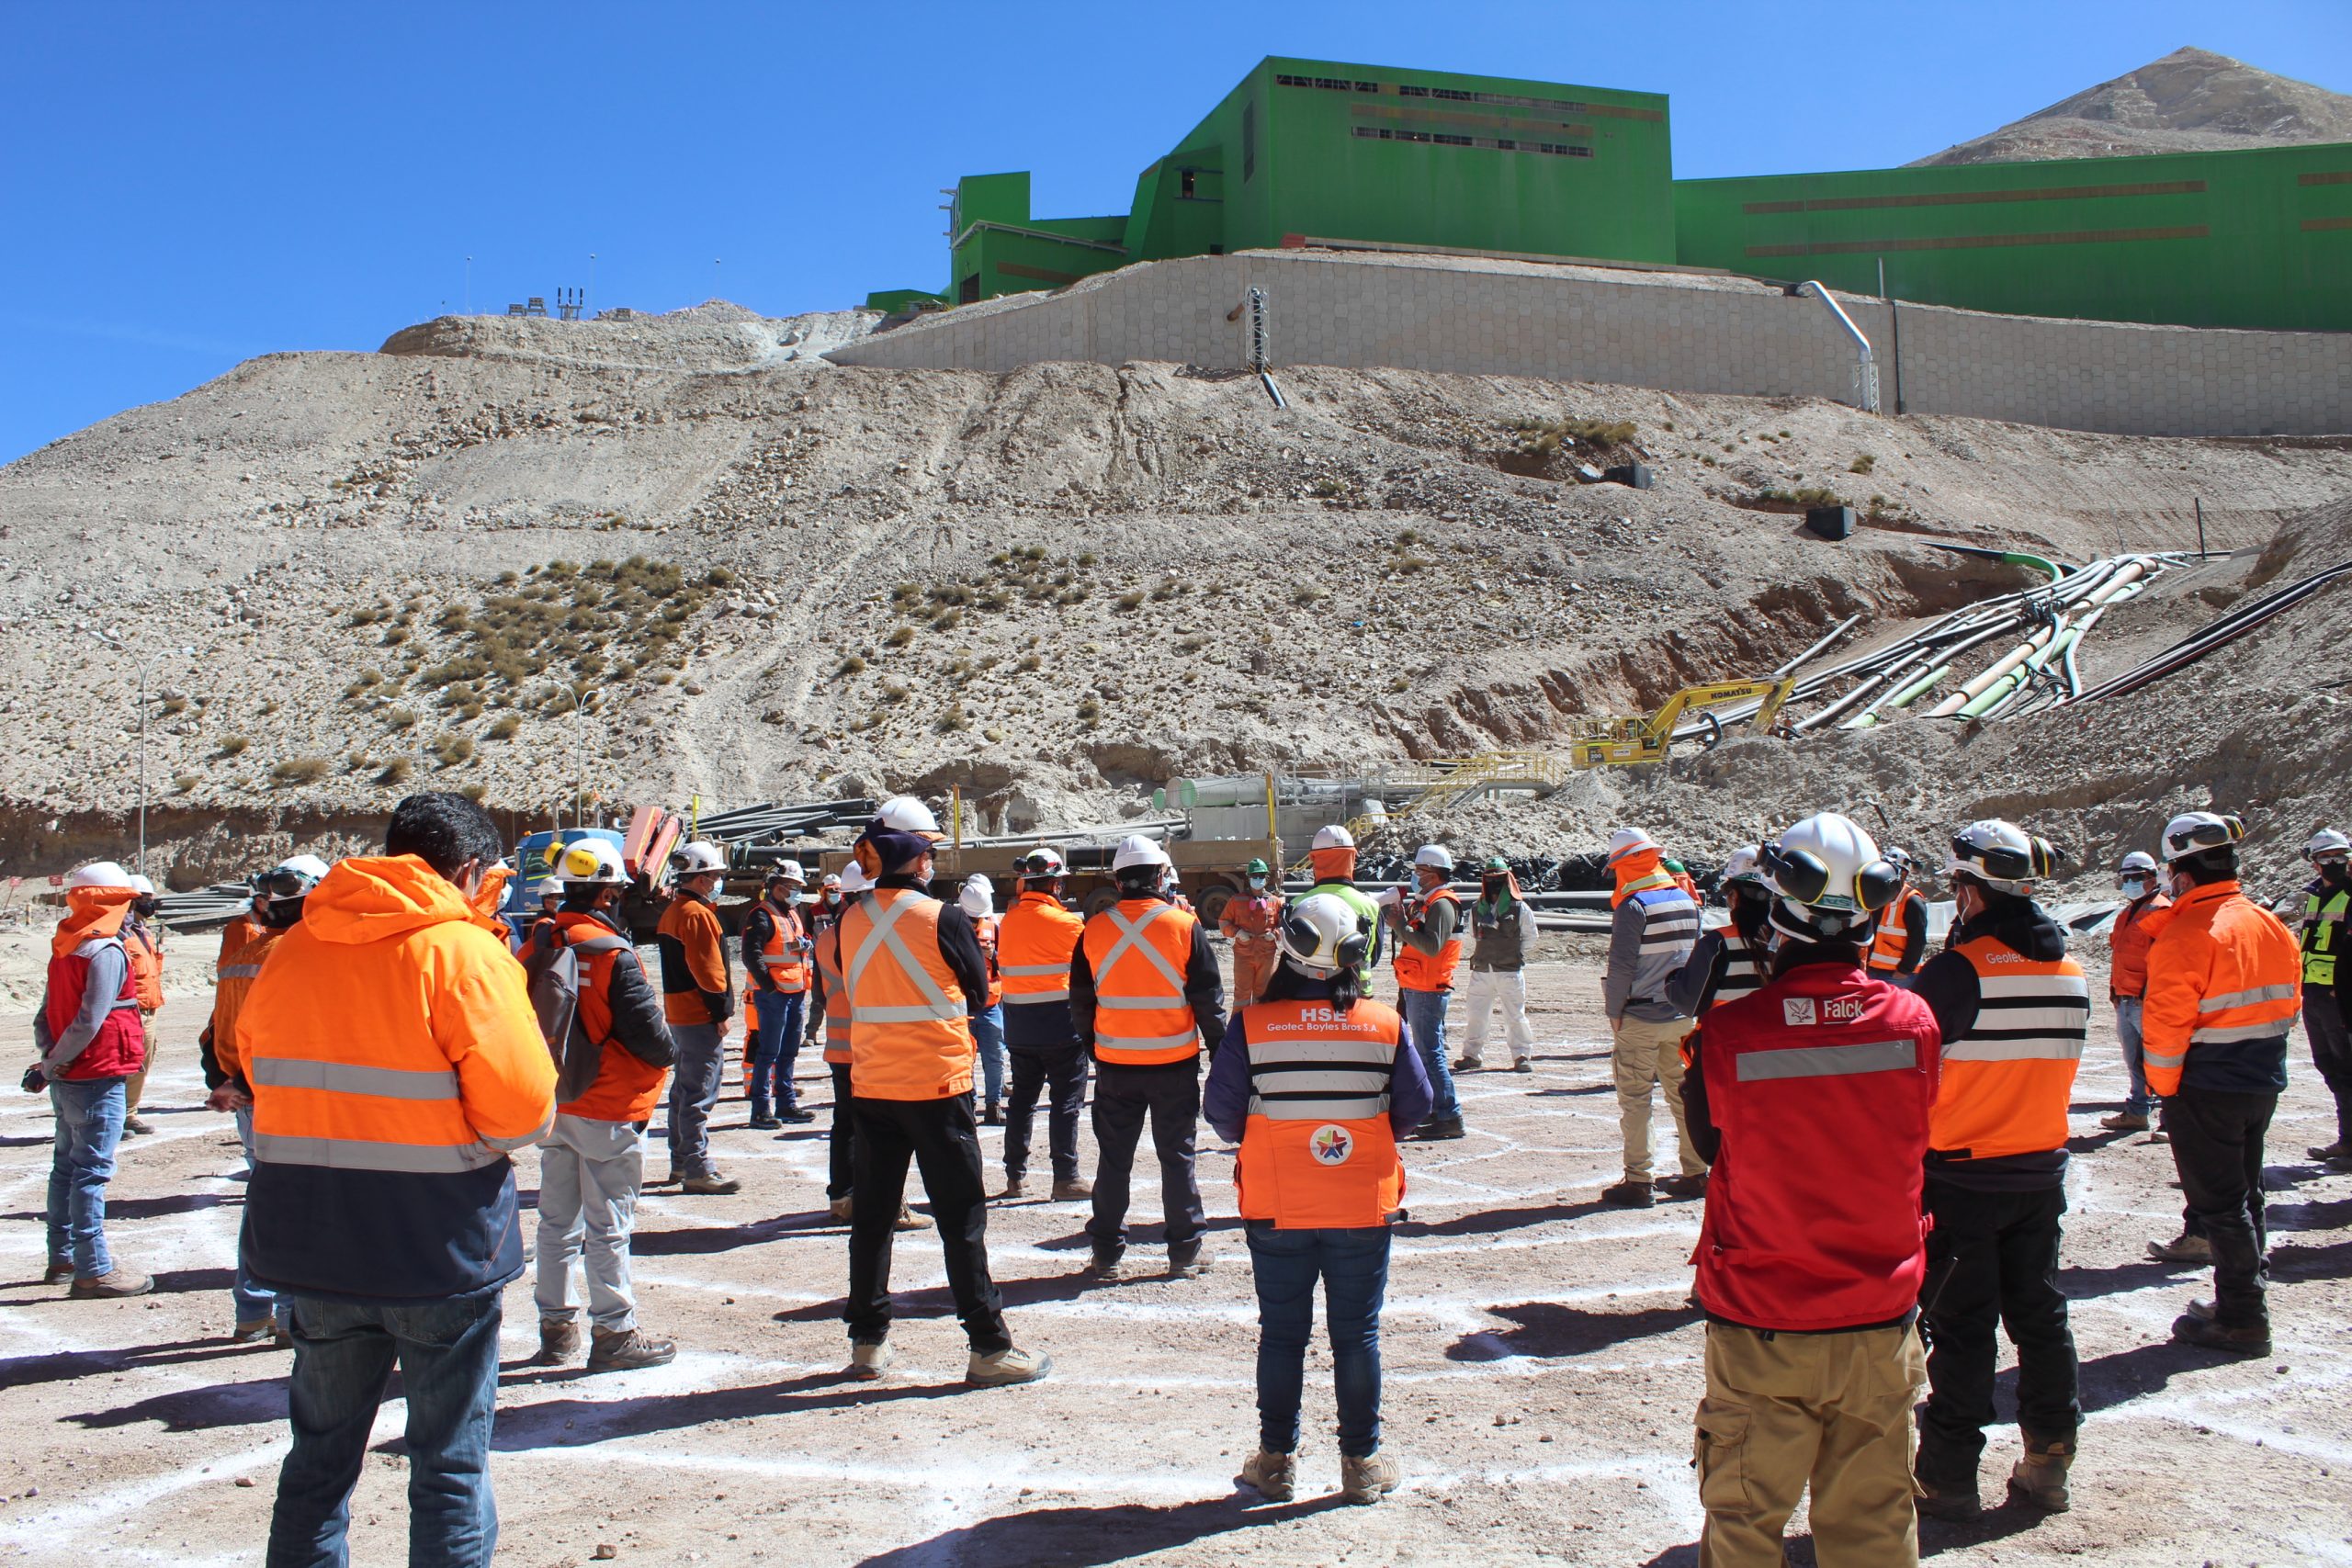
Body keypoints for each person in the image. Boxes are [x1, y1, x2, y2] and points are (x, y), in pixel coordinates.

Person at [237, 793, 557, 1567]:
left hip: (312, 1240)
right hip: (435, 1242)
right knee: (448, 1463)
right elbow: (521, 1113)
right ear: (471, 869)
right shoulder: (463, 952)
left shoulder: (294, 949)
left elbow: (257, 1070)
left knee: (315, 1463)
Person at [1679, 812, 1939, 1568]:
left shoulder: (1734, 1034)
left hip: (1765, 1319)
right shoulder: (1915, 1022)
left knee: (1746, 1524)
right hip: (1879, 1319)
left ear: (1774, 914)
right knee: (1875, 1530)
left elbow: (1708, 1143)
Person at [1207, 892, 1432, 1506]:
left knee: (1282, 1334)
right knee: (1356, 1333)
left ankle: (1276, 1460)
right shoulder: (1385, 1023)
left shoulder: (1251, 1025)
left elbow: (1221, 1113)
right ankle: (1361, 1461)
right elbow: (1417, 1105)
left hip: (1277, 1202)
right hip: (1361, 1202)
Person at [1905, 820, 2090, 1519]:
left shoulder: (1958, 971)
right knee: (2042, 1318)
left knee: (1963, 1328)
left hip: (1961, 1176)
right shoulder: (2071, 972)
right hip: (2040, 1171)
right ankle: (2050, 1459)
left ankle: (1948, 1475)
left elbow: (1909, 1070)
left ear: (1971, 891)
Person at [838, 796, 1046, 1385]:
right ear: (911, 853)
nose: (932, 859)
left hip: (872, 1084)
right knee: (961, 1221)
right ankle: (988, 1345)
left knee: (873, 1219)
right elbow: (980, 994)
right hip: (936, 1084)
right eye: (927, 849)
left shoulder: (848, 918)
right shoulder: (943, 917)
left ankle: (867, 1342)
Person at [2141, 810, 2302, 1357]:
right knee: (2246, 1194)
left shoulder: (2186, 934)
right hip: (2262, 1077)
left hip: (2206, 1085)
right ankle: (2244, 1299)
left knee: (2220, 1205)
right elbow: (2290, 1002)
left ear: (2182, 875)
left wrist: (2165, 1089)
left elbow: (2164, 1027)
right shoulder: (2267, 922)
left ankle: (2242, 1316)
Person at [528, 837, 680, 1373]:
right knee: (608, 1224)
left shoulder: (541, 938)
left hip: (555, 1099)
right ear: (610, 892)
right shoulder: (611, 953)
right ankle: (614, 1332)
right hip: (610, 1103)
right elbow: (649, 1036)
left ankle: (555, 1329)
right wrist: (671, 1054)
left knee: (555, 1221)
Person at [1071, 833, 1227, 1279]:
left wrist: (1093, 1049)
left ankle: (1105, 1254)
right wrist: (1222, 1054)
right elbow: (1208, 1001)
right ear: (1161, 876)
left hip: (1116, 1066)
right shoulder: (1183, 926)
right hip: (1173, 1064)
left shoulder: (1094, 929)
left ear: (1118, 882)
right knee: (1177, 1156)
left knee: (1114, 1159)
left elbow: (1081, 1002)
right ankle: (1185, 1250)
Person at [203, 854, 329, 1345]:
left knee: (264, 1197)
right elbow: (286, 1032)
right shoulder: (299, 949)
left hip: (244, 1088)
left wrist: (225, 1079)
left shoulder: (241, 939)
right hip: (278, 1091)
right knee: (298, 1204)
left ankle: (253, 1308)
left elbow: (219, 1023)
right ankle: (293, 1312)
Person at [32, 862, 152, 1298]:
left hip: (69, 1075)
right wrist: (54, 1064)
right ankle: (93, 1267)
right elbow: (90, 1020)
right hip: (96, 1074)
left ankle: (61, 1257)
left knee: (65, 1167)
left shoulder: (65, 946)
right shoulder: (105, 950)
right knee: (91, 1173)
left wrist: (51, 1060)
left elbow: (45, 1014)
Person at [1600, 829, 1703, 1207]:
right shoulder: (1685, 900)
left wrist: (1614, 1012)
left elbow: (1621, 966)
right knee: (1684, 1096)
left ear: (1626, 864)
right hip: (1681, 1015)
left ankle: (1638, 1181)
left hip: (1641, 1016)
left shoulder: (1634, 906)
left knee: (1636, 1100)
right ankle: (1696, 1172)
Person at [999, 848, 1091, 1201]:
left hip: (1019, 1026)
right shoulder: (1068, 924)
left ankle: (1015, 1177)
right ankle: (1065, 1177)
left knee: (1021, 1101)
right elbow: (1090, 970)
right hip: (1060, 1025)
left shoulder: (1008, 920)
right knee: (1065, 1101)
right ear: (1053, 884)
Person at [657, 840, 740, 1194]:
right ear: (703, 877)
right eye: (716, 874)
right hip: (697, 1014)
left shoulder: (674, 911)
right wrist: (719, 1011)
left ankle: (681, 1161)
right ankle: (697, 1166)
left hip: (680, 1013)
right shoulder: (698, 915)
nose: (719, 880)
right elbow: (709, 971)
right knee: (698, 1093)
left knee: (683, 1090)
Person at [1388, 844, 1466, 1140]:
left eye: (1420, 871)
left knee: (1430, 1052)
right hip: (1418, 984)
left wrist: (1400, 926)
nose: (1416, 876)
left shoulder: (1443, 904)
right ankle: (1437, 1110)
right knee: (1424, 1051)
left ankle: (1449, 1114)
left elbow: (1432, 946)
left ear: (1433, 874)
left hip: (1428, 987)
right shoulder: (1431, 901)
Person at [2101, 849, 2176, 1134]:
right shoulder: (2126, 914)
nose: (2130, 882)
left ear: (2151, 878)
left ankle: (2171, 1119)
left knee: (2162, 1061)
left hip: (2148, 1001)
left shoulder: (2162, 911)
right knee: (2134, 1060)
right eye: (2126, 877)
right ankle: (2137, 1111)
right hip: (2125, 999)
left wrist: (2151, 994)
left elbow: (2166, 960)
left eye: (2136, 877)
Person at [741, 863, 815, 1130]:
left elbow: (794, 946)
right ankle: (760, 1109)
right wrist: (769, 987)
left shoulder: (791, 913)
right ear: (777, 887)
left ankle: (786, 1103)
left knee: (788, 1052)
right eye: (793, 886)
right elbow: (751, 955)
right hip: (774, 994)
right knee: (768, 1052)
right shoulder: (761, 915)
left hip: (795, 991)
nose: (797, 892)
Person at [1665, 845, 1770, 1021]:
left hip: (1725, 1040)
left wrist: (1673, 979)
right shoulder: (1785, 940)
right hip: (1772, 1043)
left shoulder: (1718, 943)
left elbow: (1689, 1001)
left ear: (1734, 896)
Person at [1456, 856, 1542, 1073]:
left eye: (1499, 878)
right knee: (1476, 1014)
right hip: (1482, 970)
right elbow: (1474, 935)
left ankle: (1522, 1055)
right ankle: (1471, 1055)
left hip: (1509, 971)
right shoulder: (1477, 909)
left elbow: (1531, 937)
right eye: (1490, 878)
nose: (1494, 883)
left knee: (1514, 1014)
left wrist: (1513, 952)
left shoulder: (1519, 908)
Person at [2297, 828, 2352, 1161]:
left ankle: (2349, 1143)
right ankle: (2347, 1138)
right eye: (2325, 857)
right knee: (2329, 1066)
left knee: (2346, 1069)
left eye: (2339, 856)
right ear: (2313, 863)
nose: (2333, 862)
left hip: (2340, 999)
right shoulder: (2315, 896)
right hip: (2313, 994)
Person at [1301, 825, 1382, 982]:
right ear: (1352, 859)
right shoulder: (1371, 906)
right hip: (1357, 994)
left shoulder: (1300, 904)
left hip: (1311, 994)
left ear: (1314, 859)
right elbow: (1373, 957)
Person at [119, 874, 166, 1134]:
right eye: (147, 899)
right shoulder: (121, 934)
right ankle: (116, 1117)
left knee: (142, 1063)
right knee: (125, 1064)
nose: (152, 905)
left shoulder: (143, 933)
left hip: (149, 1008)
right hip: (131, 1010)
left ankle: (129, 1114)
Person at [961, 874, 1009, 1124]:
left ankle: (993, 1105)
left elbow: (1008, 961)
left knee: (994, 1057)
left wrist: (994, 955)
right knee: (963, 1060)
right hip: (963, 1006)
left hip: (990, 1003)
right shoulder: (953, 924)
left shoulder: (994, 925)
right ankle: (968, 1104)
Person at [1220, 858, 1284, 1009]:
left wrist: (1274, 934)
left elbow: (1284, 926)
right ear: (1248, 878)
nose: (1258, 879)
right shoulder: (1236, 901)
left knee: (1263, 994)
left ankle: (1260, 1028)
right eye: (1255, 876)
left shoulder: (1274, 902)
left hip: (1266, 955)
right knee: (1242, 994)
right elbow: (1224, 922)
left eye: (1261, 876)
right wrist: (1237, 932)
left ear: (1266, 878)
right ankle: (1239, 1027)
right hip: (1244, 954)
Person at [1865, 846, 1932, 977]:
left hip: (1897, 975)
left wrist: (1904, 970)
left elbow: (1918, 940)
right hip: (1872, 969)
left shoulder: (1912, 901)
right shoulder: (1877, 896)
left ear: (1903, 874)